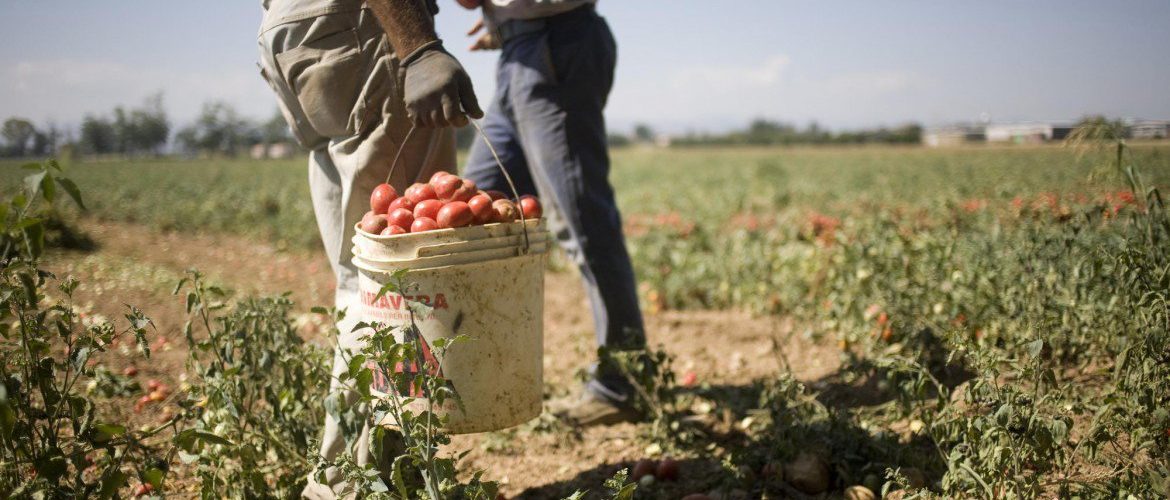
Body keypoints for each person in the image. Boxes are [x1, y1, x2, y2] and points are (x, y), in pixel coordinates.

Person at [256, 0, 481, 497]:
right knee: (399, 279)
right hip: (359, 24)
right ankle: (355, 486)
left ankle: (355, 478)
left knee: (364, 279)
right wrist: (419, 47)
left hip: (294, 31)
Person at [460, 0, 647, 426]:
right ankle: (483, 376)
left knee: (582, 220)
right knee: (474, 212)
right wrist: (504, 20)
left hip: (555, 44)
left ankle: (624, 384)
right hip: (521, 50)